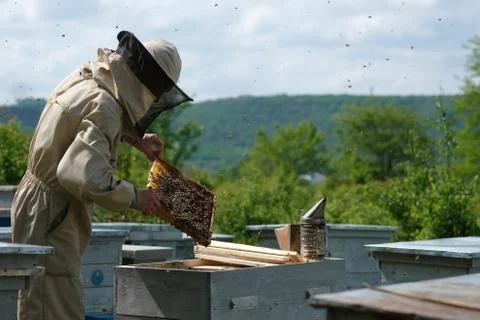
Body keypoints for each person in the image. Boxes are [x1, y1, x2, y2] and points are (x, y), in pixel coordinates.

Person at [10, 30, 193, 320]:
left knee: (40, 301)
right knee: (55, 306)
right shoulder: (106, 106)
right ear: (149, 83)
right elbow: (81, 175)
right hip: (54, 211)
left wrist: (135, 139)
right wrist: (136, 197)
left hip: (38, 202)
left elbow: (79, 127)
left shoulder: (89, 76)